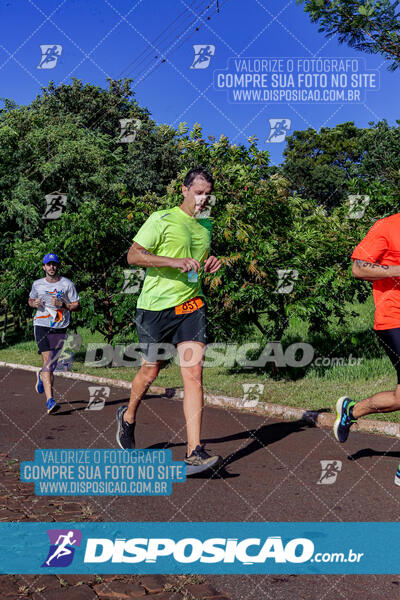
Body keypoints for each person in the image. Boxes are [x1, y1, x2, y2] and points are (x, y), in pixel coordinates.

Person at [116, 167, 223, 475]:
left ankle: (194, 452)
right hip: (155, 309)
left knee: (193, 376)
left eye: (207, 194)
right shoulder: (160, 219)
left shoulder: (206, 225)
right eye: (198, 192)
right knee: (150, 372)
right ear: (184, 190)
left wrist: (208, 265)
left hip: (191, 305)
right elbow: (134, 256)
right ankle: (128, 415)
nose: (203, 199)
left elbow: (195, 265)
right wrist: (172, 262)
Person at [333, 213, 400, 485]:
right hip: (394, 319)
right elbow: (359, 268)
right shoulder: (387, 226)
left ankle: (352, 411)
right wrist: (396, 270)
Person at [28, 253, 80, 414]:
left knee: (51, 363)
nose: (51, 267)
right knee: (49, 362)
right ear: (44, 267)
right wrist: (33, 303)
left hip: (60, 326)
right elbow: (30, 300)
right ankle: (50, 401)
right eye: (48, 264)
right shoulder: (37, 284)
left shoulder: (67, 284)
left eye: (54, 264)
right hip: (42, 324)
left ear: (58, 266)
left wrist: (63, 304)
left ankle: (41, 375)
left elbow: (76, 305)